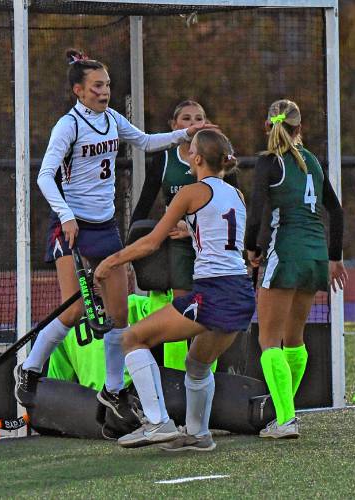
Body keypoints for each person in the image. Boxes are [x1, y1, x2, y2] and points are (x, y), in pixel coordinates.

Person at [15, 49, 214, 409]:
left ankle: (113, 390)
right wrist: (65, 215)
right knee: (73, 311)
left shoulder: (111, 119)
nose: (103, 91)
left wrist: (186, 132)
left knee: (117, 313)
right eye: (96, 86)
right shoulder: (68, 126)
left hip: (105, 225)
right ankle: (30, 367)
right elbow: (44, 176)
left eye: (106, 85)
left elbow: (146, 142)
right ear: (78, 90)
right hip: (71, 226)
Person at [95, 129, 254, 451]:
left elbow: (152, 241)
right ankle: (198, 434)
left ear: (196, 159)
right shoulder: (235, 195)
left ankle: (157, 422)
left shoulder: (190, 192)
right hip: (241, 293)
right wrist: (190, 228)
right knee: (197, 364)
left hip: (214, 292)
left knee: (132, 338)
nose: (186, 150)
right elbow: (219, 228)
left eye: (190, 148)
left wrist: (113, 261)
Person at [244, 99, 346, 439]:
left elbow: (257, 210)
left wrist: (252, 249)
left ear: (267, 126)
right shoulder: (314, 163)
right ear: (299, 128)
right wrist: (334, 256)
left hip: (284, 252)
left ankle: (286, 419)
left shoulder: (268, 162)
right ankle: (285, 412)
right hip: (315, 254)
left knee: (269, 339)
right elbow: (336, 210)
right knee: (295, 338)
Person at [131, 99, 233, 369]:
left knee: (208, 310)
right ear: (174, 126)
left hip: (209, 244)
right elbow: (143, 205)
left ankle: (203, 375)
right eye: (186, 119)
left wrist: (192, 228)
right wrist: (133, 242)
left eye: (198, 118)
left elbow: (230, 206)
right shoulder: (164, 159)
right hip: (177, 245)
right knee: (180, 310)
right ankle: (174, 380)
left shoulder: (217, 159)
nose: (193, 124)